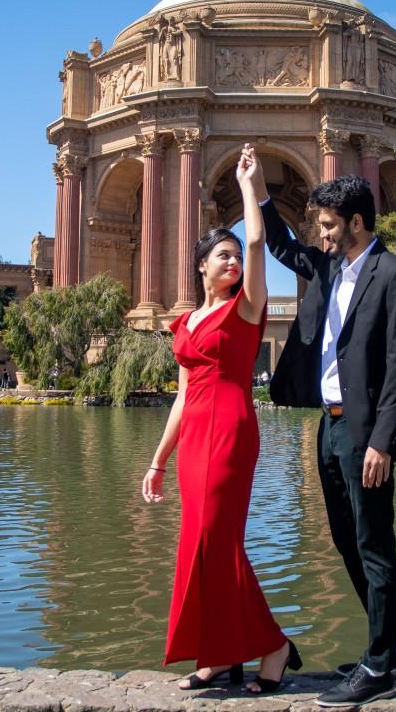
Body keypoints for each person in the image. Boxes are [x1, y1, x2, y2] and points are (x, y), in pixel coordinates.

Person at [142, 144, 301, 694]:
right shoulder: (185, 323)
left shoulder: (246, 308)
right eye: (223, 256)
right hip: (193, 438)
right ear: (202, 266)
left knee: (218, 539)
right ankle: (217, 653)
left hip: (231, 430)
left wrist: (252, 188)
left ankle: (274, 646)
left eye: (236, 257)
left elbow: (256, 242)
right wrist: (158, 461)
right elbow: (182, 397)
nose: (233, 262)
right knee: (197, 543)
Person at [259, 175, 396, 707]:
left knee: (374, 542)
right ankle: (393, 646)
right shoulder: (329, 266)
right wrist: (257, 191)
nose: (321, 234)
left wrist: (383, 442)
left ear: (356, 222)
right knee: (346, 539)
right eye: (318, 226)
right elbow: (283, 247)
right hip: (328, 426)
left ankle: (377, 667)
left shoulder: (393, 274)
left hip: (364, 431)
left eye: (328, 225)